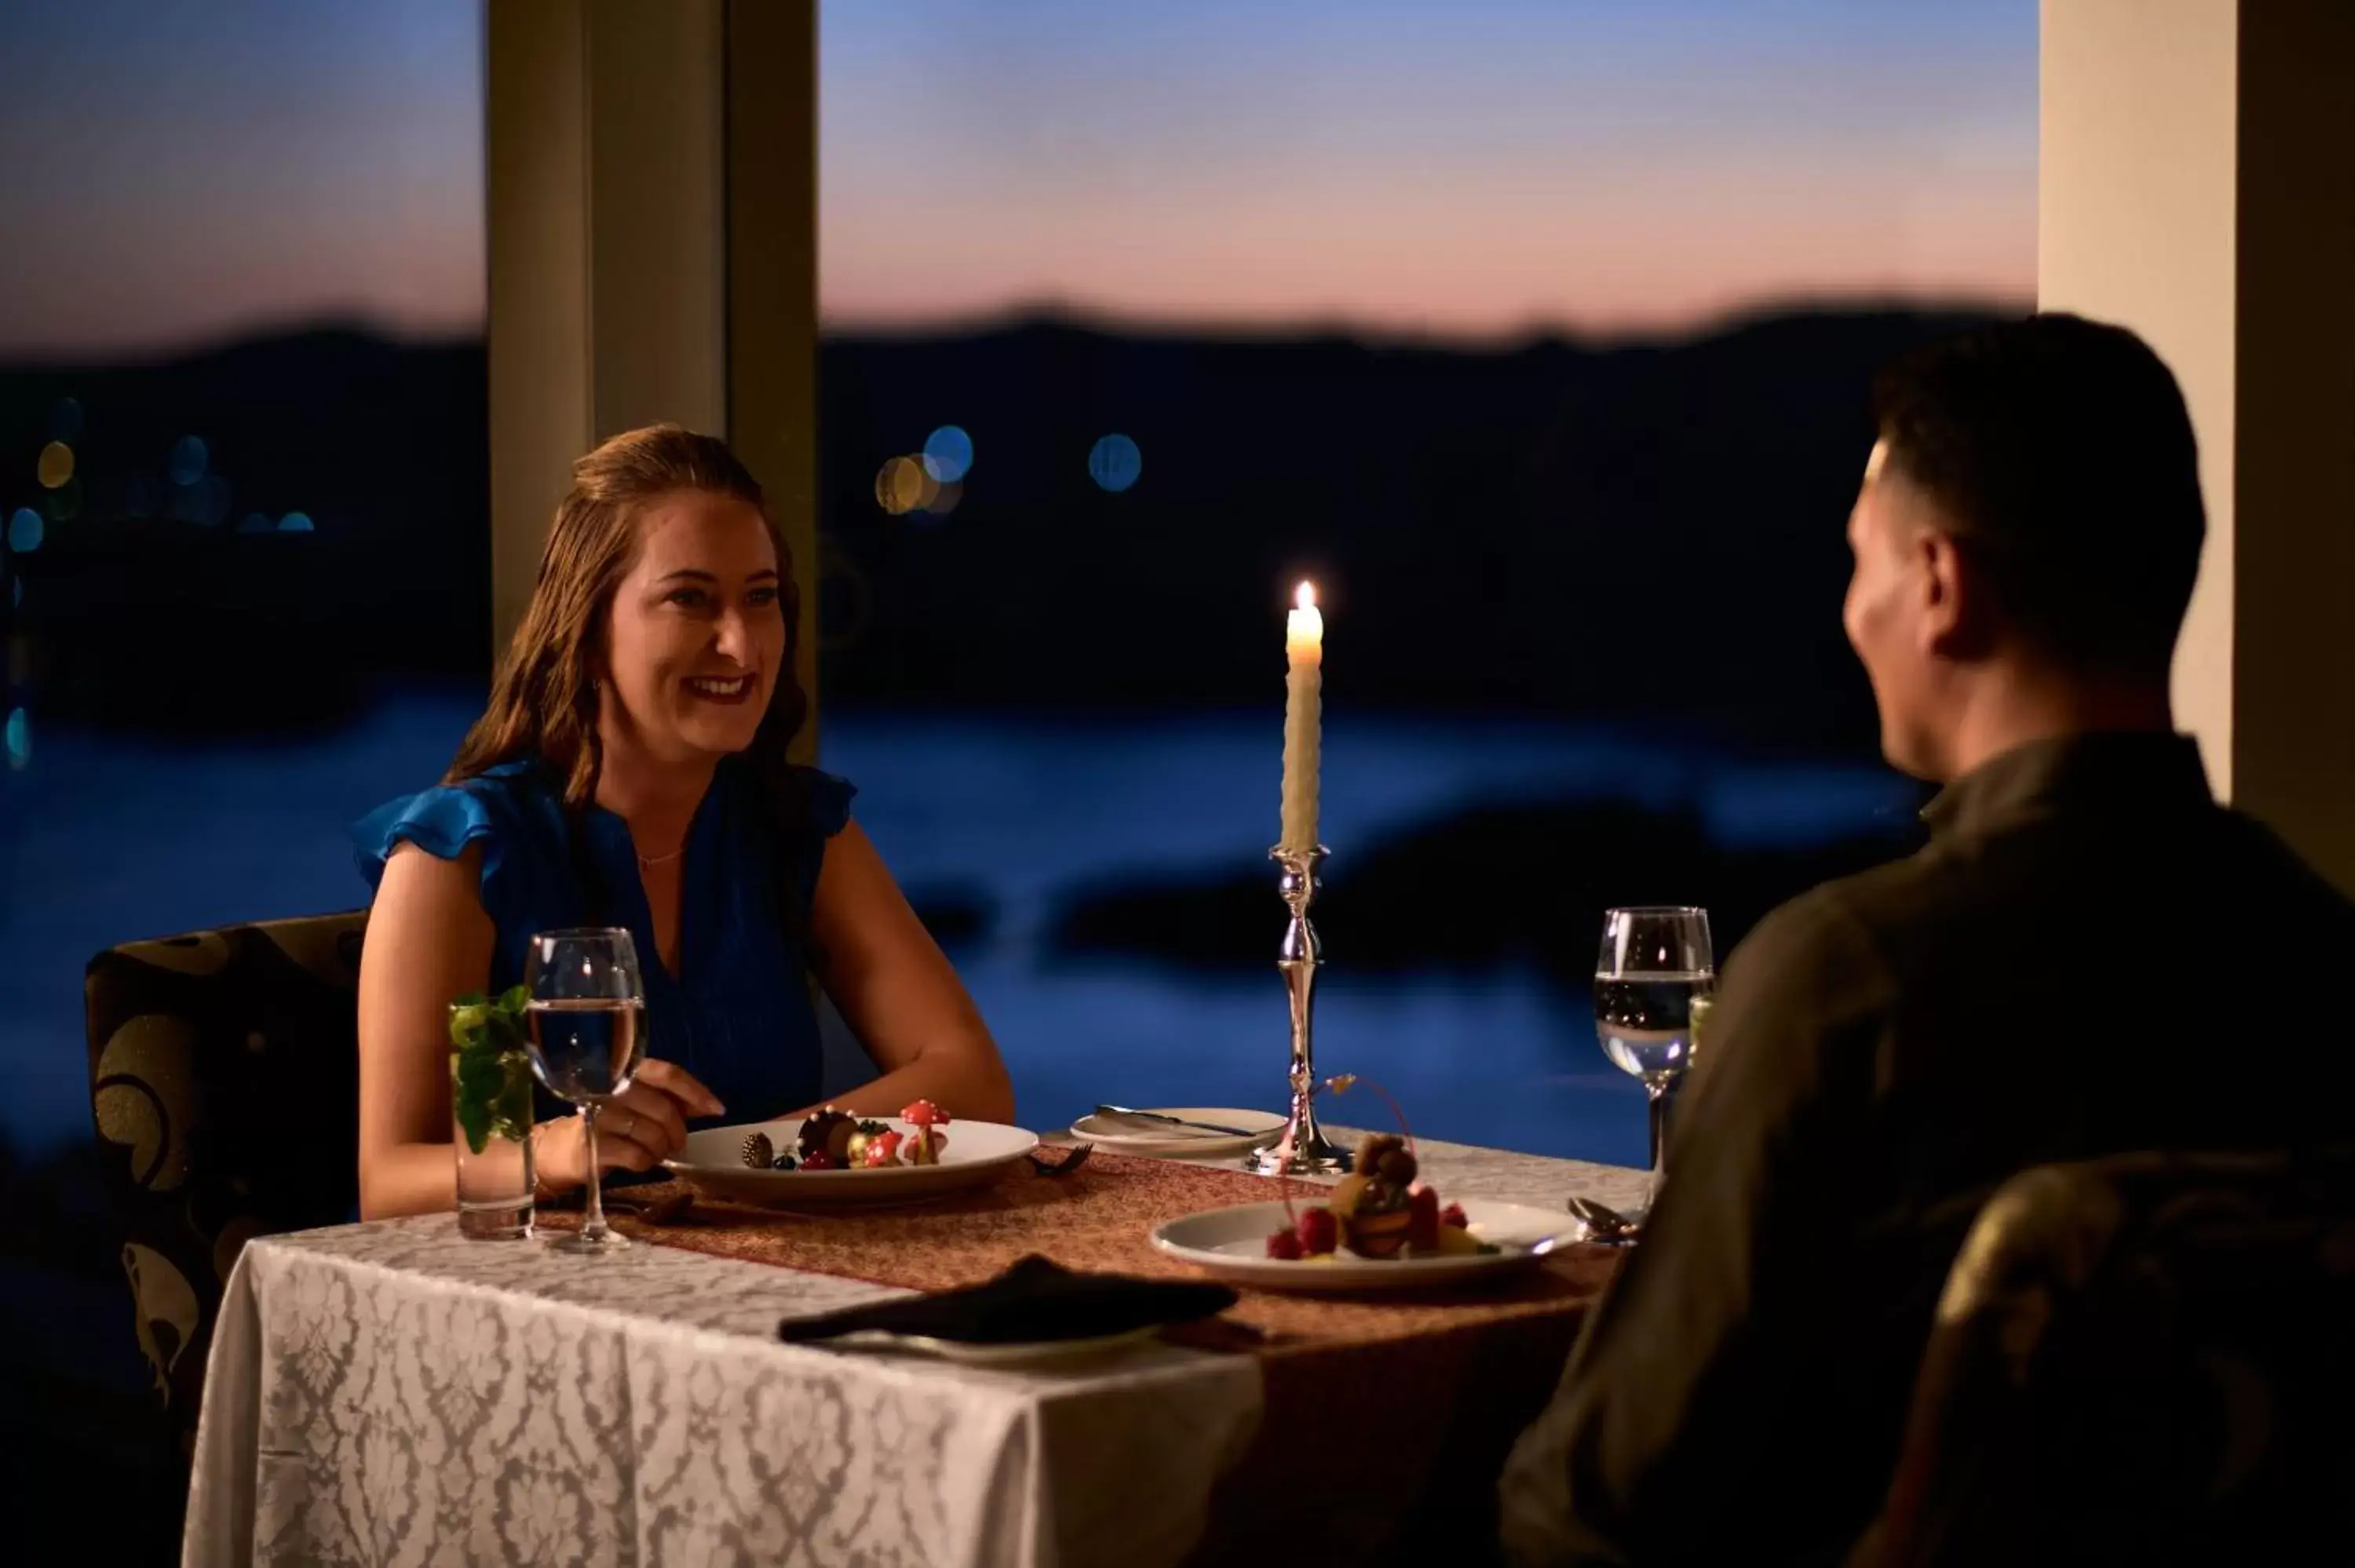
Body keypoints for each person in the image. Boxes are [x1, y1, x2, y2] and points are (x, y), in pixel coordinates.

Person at [1499, 313, 2355, 1565]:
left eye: (1863, 563)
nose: (1852, 612)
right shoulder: (2324, 947)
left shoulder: (1848, 978)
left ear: (1942, 588)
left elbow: (1597, 1510)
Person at [354, 425, 1013, 1218]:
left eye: (761, 598)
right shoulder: (464, 853)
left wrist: (741, 1159)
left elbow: (970, 1077)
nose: (740, 645)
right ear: (588, 622)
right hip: (543, 1306)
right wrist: (556, 1153)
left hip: (766, 1284)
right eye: (689, 599)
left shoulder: (795, 825)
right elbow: (389, 1187)